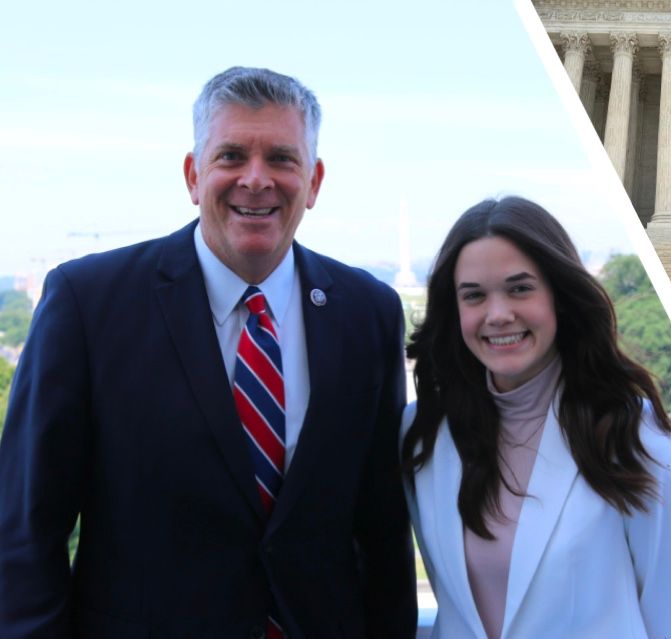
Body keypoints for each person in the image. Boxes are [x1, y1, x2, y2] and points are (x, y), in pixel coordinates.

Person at [0, 67, 416, 638]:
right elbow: (26, 529)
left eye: (281, 158)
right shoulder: (89, 304)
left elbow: (383, 528)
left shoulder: (367, 312)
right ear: (194, 176)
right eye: (230, 156)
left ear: (314, 181)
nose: (256, 179)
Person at [401, 197, 671, 639]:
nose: (498, 313)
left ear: (559, 298)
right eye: (474, 295)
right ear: (456, 311)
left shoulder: (630, 435)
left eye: (520, 288)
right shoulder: (423, 433)